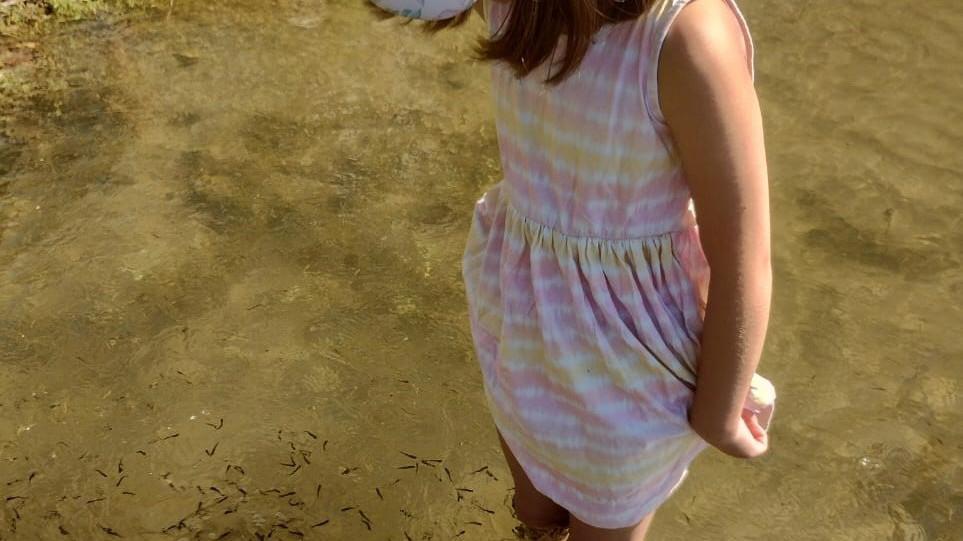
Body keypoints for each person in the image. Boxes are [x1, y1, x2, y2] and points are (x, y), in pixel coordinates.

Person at [368, 1, 774, 540]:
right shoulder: (683, 35)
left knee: (550, 518)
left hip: (539, 316)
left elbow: (741, 259)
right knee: (548, 515)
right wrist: (719, 416)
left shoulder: (542, 12)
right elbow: (744, 257)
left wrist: (718, 411)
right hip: (604, 348)